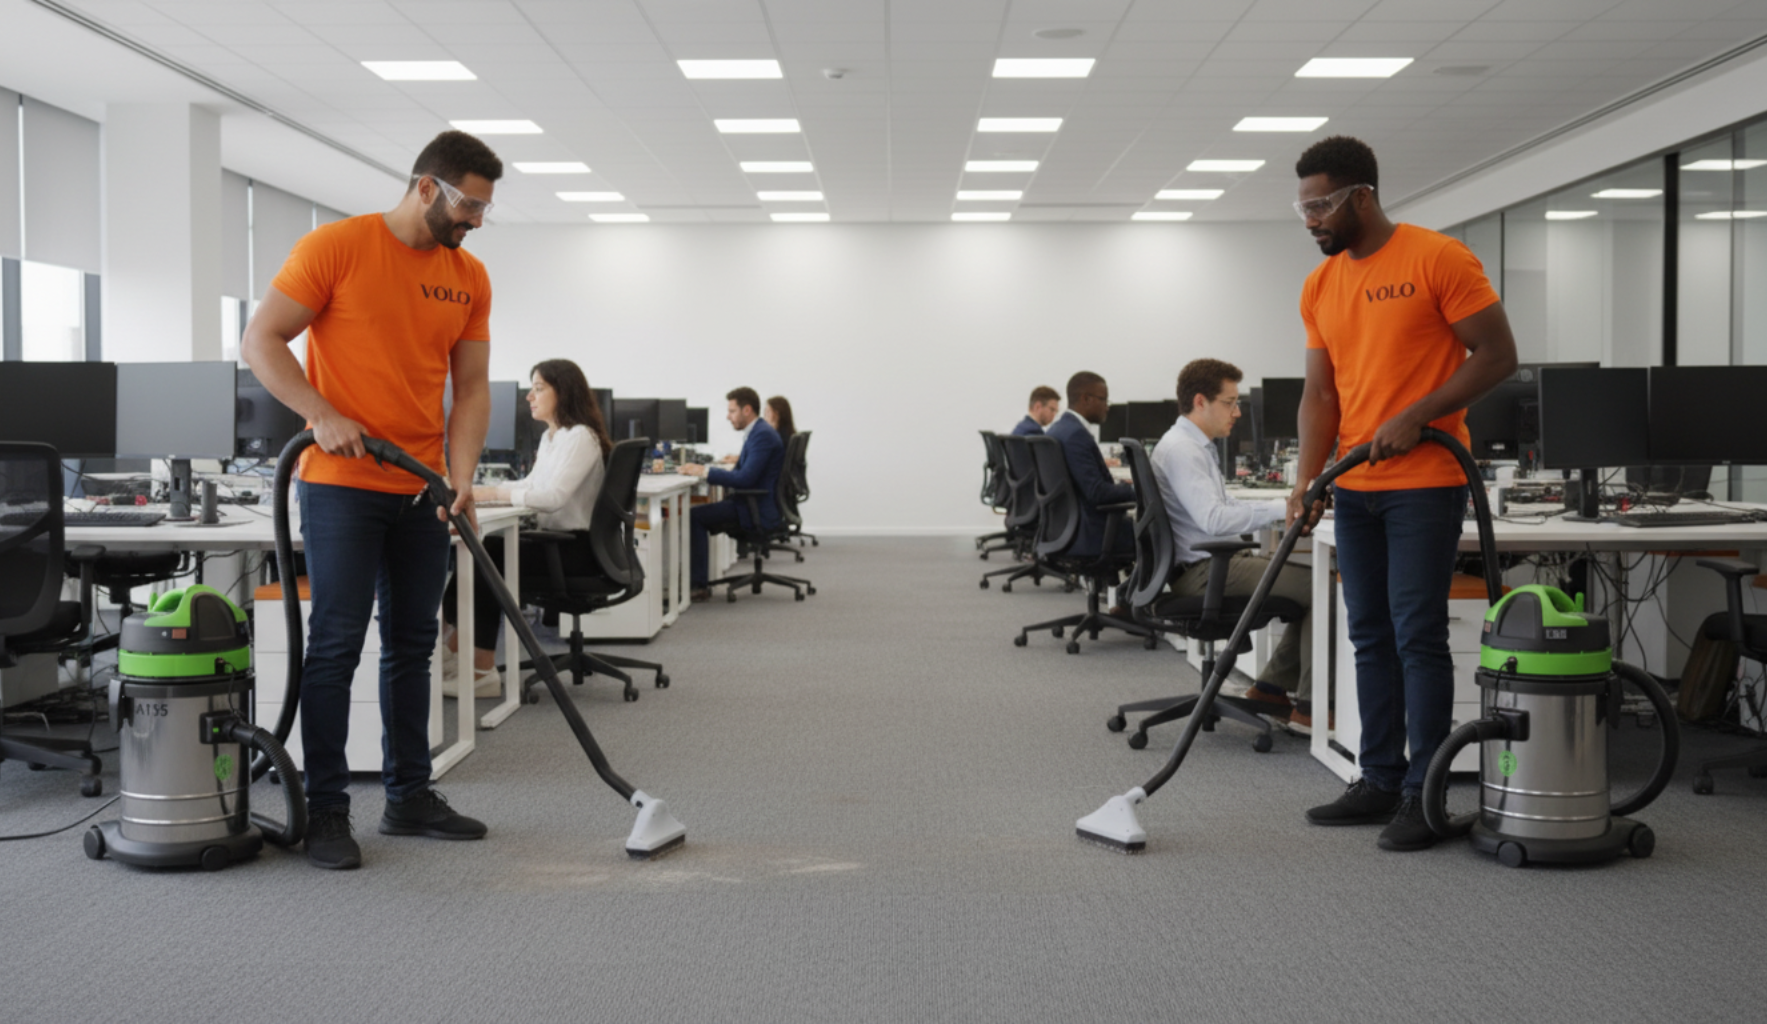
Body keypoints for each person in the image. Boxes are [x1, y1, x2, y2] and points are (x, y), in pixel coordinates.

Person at [241, 129, 503, 870]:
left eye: (486, 209)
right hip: (341, 488)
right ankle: (326, 811)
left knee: (413, 646)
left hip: (420, 490)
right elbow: (262, 341)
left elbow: (473, 387)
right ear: (426, 186)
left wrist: (461, 478)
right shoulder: (337, 248)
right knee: (334, 647)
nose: (475, 221)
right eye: (468, 205)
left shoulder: (469, 276)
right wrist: (319, 411)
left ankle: (408, 796)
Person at [1288, 136, 1517, 852]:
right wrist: (1306, 479)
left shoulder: (1436, 258)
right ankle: (1378, 777)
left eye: (1320, 204)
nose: (1310, 220)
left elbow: (1499, 355)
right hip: (1354, 485)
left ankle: (1425, 793)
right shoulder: (1320, 285)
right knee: (1368, 635)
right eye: (1301, 208)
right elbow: (1319, 394)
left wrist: (1419, 414)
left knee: (1416, 634)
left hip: (1425, 482)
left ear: (1362, 196)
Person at [1152, 358, 1314, 732]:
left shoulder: (1192, 445)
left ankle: (1272, 689)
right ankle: (1311, 708)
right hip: (1205, 570)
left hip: (1204, 565)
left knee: (1314, 584)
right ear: (1200, 402)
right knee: (1325, 587)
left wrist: (1280, 508)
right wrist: (1282, 509)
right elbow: (1214, 520)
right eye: (1230, 402)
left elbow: (1221, 509)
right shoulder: (1184, 451)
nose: (1238, 412)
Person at [440, 359, 612, 698]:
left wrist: (491, 492)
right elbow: (532, 484)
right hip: (559, 544)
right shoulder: (554, 438)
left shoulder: (579, 437)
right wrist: (480, 495)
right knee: (481, 549)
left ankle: (479, 671)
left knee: (489, 554)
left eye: (538, 388)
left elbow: (551, 498)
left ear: (562, 392)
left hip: (574, 551)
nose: (529, 397)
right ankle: (455, 653)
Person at [678, 387, 785, 600]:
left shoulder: (762, 435)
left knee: (694, 517)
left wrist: (706, 471)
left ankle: (698, 586)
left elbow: (745, 479)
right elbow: (744, 472)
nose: (728, 417)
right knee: (698, 512)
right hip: (752, 502)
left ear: (747, 410)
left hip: (755, 508)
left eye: (732, 411)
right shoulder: (758, 432)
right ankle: (697, 581)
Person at [1045, 371, 1135, 558]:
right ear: (1086, 399)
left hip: (1065, 528)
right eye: (1104, 400)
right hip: (1091, 533)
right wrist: (1136, 489)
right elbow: (1097, 492)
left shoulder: (1059, 428)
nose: (1107, 407)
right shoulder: (1076, 435)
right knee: (1159, 533)